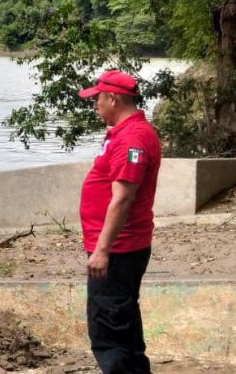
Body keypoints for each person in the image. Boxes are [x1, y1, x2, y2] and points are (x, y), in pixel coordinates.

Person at [77, 70, 162, 374]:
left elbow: (123, 198)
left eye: (97, 98)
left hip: (119, 249)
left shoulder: (132, 138)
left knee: (109, 331)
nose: (95, 105)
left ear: (112, 98)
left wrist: (102, 250)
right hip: (120, 246)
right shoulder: (126, 133)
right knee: (122, 323)